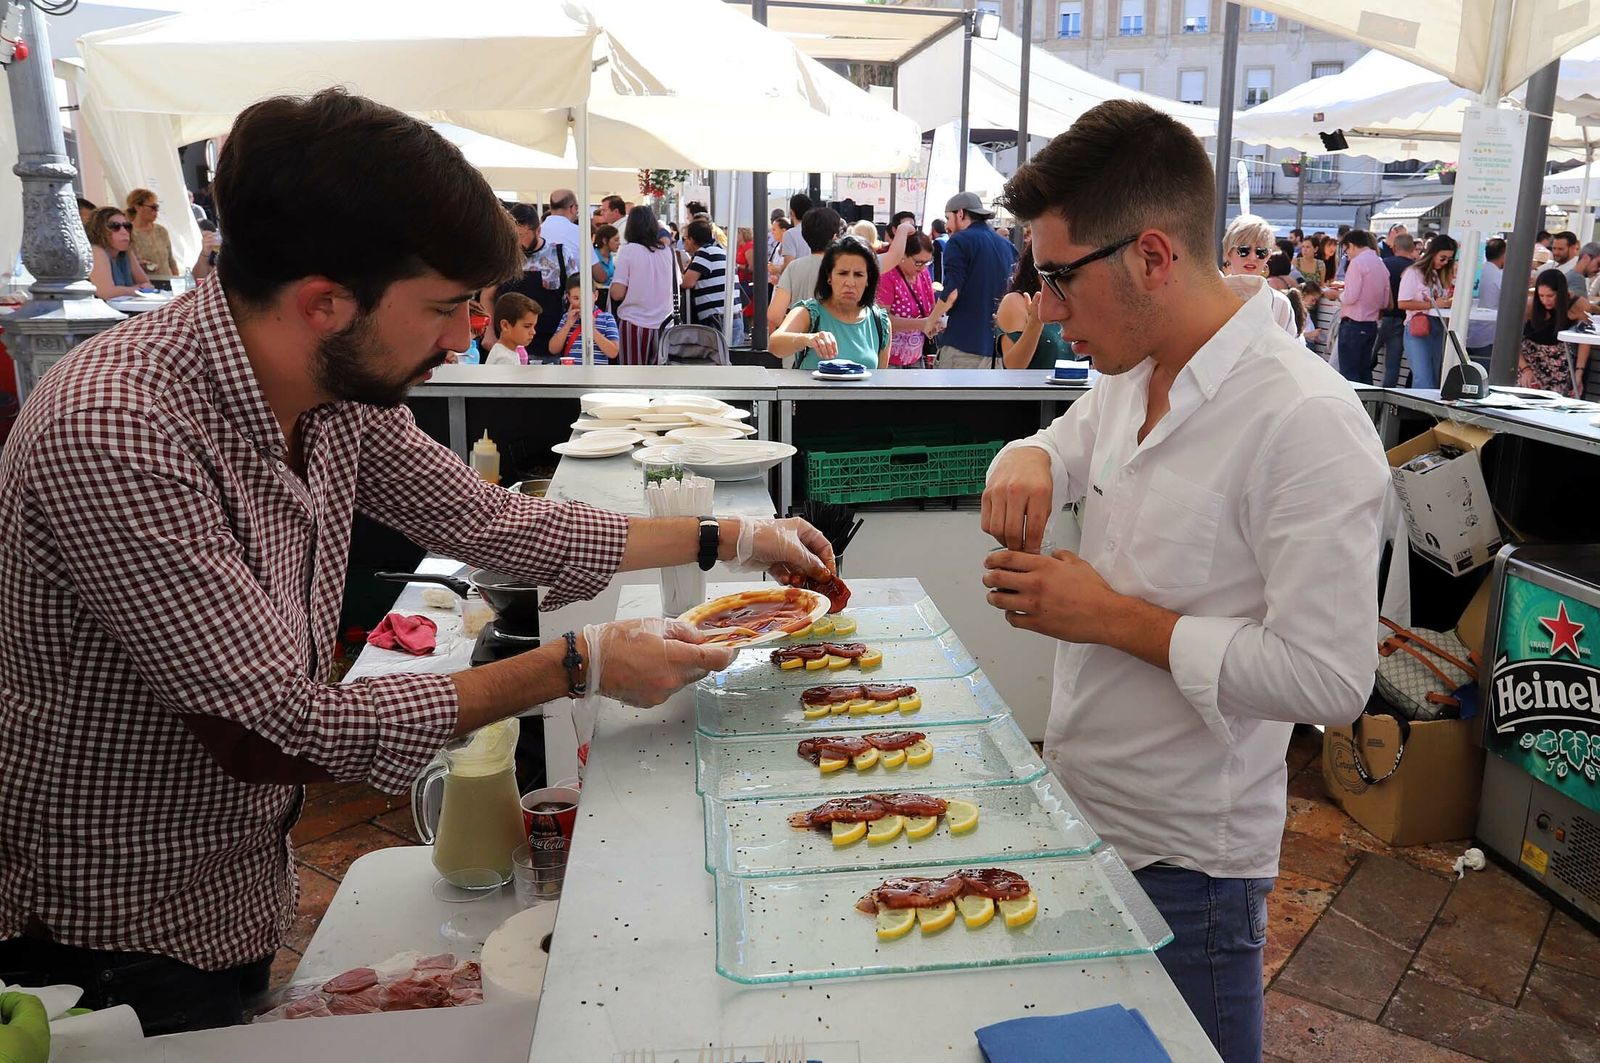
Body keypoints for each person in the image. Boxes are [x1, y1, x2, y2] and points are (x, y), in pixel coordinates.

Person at [0, 87, 837, 1036]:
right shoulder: (118, 428)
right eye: (444, 309)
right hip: (102, 931)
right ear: (324, 303)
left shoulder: (332, 389)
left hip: (233, 883)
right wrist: (576, 665)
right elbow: (278, 730)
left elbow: (497, 524)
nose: (458, 337)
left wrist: (729, 538)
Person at [979, 99, 1389, 1063]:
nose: (1045, 307)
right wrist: (1025, 455)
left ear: (1153, 258)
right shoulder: (1125, 368)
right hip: (1080, 807)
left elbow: (1332, 679)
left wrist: (1113, 618)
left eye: (1057, 278)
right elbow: (1063, 445)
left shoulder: (1306, 423)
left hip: (1190, 861)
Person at [769, 237, 891, 371]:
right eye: (843, 273)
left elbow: (880, 381)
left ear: (869, 279)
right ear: (829, 277)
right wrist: (807, 339)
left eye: (858, 275)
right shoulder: (809, 312)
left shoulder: (880, 321)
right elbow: (775, 344)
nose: (850, 282)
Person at [935, 191, 1016, 368]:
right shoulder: (1007, 246)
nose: (947, 225)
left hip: (961, 346)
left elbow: (951, 292)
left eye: (948, 218)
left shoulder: (958, 241)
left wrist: (931, 321)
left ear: (961, 213)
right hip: (997, 352)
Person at [490, 202, 569, 357]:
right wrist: (489, 335)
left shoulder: (559, 254)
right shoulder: (504, 256)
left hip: (550, 347)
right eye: (512, 234)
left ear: (538, 230)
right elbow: (488, 295)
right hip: (509, 348)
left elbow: (574, 295)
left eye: (521, 235)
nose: (517, 242)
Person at [609, 204, 675, 364]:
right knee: (659, 381)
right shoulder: (667, 251)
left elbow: (618, 292)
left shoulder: (628, 250)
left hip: (634, 322)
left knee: (632, 379)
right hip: (664, 324)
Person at [1396, 233, 1457, 390]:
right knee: (1424, 379)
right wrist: (1433, 304)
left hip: (1437, 327)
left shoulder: (1438, 275)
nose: (1445, 263)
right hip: (1418, 328)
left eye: (1449, 260)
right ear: (1433, 253)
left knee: (1434, 377)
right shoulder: (1413, 272)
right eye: (1442, 258)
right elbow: (1402, 303)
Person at [995, 245, 1071, 370]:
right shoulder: (1017, 301)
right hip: (1030, 388)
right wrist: (1035, 322)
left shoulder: (1071, 300)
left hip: (1074, 388)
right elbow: (1013, 366)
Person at [1220, 215, 1297, 336]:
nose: (1252, 257)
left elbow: (1289, 351)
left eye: (1261, 252)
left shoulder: (1280, 303)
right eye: (1244, 250)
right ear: (1228, 253)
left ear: (1268, 256)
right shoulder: (1211, 297)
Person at [768, 206, 842, 331]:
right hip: (835, 341)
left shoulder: (794, 267)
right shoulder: (843, 268)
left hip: (799, 344)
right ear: (835, 236)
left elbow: (774, 315)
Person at [1520, 268, 1593, 395]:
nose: (1545, 301)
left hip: (1559, 365)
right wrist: (1525, 369)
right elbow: (1511, 340)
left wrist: (1578, 372)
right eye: (1541, 296)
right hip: (1529, 361)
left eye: (1550, 296)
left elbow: (1584, 340)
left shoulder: (1577, 305)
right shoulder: (1531, 306)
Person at [1335, 229, 1390, 384]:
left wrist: (1336, 295)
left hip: (1353, 324)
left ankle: (1353, 407)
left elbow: (1350, 297)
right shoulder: (1380, 264)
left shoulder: (1357, 263)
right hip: (1371, 324)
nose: (1347, 255)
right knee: (1365, 372)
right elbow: (1385, 302)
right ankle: (1367, 407)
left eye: (1346, 251)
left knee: (1349, 374)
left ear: (1351, 246)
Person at [879, 231, 940, 368]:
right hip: (890, 360)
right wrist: (922, 324)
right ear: (902, 255)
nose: (923, 267)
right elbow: (883, 320)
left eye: (927, 262)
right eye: (918, 262)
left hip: (916, 356)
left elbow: (930, 308)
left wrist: (935, 321)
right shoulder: (887, 275)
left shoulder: (923, 274)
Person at [681, 218, 742, 345]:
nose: (683, 243)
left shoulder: (704, 253)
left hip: (717, 319)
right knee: (733, 360)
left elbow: (687, 282)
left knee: (716, 361)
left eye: (684, 239)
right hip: (734, 316)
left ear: (692, 239)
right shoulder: (720, 251)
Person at [1376, 232, 1419, 387]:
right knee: (1393, 366)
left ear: (1394, 247)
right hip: (1402, 320)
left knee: (1366, 359)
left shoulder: (1384, 263)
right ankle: (1386, 407)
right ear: (1413, 248)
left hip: (1380, 317)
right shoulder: (1416, 269)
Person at [85, 206, 152, 299]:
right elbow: (105, 292)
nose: (124, 231)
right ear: (100, 231)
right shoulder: (96, 251)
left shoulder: (126, 252)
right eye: (115, 227)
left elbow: (146, 284)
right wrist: (136, 290)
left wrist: (130, 290)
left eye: (127, 226)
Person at [549, 276, 620, 363]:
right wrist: (568, 325)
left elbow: (613, 352)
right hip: (571, 372)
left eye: (586, 297)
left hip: (598, 373)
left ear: (595, 295)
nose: (582, 302)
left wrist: (592, 330)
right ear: (568, 297)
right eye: (576, 298)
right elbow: (553, 349)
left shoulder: (607, 318)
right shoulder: (566, 318)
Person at [1464, 237, 1506, 369]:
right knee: (1483, 376)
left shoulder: (1475, 271)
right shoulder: (1500, 276)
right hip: (1487, 334)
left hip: (1467, 329)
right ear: (1504, 254)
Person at [126, 188, 179, 289]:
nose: (156, 211)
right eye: (153, 207)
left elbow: (171, 260)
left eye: (157, 207)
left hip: (167, 283)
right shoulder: (127, 232)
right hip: (144, 286)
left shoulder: (161, 231)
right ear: (138, 207)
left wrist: (177, 282)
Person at [485, 290, 539, 366]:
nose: (533, 332)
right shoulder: (504, 359)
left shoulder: (508, 352)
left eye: (534, 326)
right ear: (505, 325)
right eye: (527, 326)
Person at [779, 193, 811, 266]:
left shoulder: (790, 234)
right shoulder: (818, 231)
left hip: (798, 276)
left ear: (792, 212)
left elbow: (788, 265)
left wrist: (777, 270)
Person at [593, 223, 620, 307]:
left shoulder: (611, 258)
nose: (619, 243)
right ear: (605, 241)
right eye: (616, 240)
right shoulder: (593, 256)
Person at [930, 216, 949, 285]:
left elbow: (928, 261)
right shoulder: (949, 239)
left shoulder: (938, 242)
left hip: (938, 282)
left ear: (933, 229)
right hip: (948, 280)